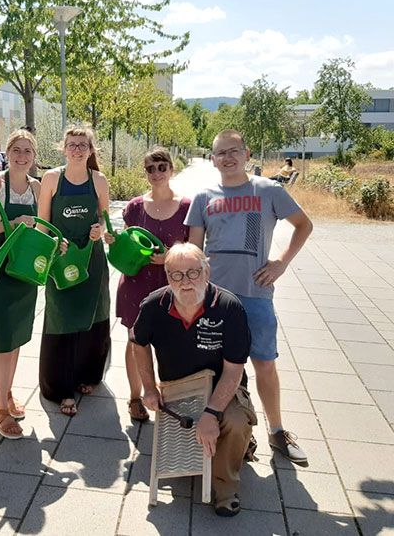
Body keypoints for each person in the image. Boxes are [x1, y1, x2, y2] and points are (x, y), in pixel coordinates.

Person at [186, 129, 313, 466]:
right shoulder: (203, 198)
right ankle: (236, 433)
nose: (227, 158)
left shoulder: (268, 190)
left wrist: (281, 263)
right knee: (217, 367)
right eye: (220, 153)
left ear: (247, 153)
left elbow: (304, 225)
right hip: (214, 298)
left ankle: (277, 430)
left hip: (255, 294)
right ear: (212, 160)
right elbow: (195, 251)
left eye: (233, 151)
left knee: (265, 363)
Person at [133, 243, 256, 517]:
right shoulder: (155, 304)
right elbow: (138, 343)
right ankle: (220, 448)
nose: (185, 281)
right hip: (177, 390)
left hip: (222, 386)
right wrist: (149, 389)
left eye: (193, 273)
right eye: (176, 275)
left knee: (234, 422)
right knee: (190, 436)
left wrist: (211, 413)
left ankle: (225, 488)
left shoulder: (228, 307)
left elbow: (234, 369)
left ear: (207, 272)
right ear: (167, 277)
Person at [37, 127, 111, 416]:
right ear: (63, 148)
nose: (77, 149)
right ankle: (61, 388)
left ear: (91, 150)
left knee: (94, 315)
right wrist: (51, 247)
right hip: (61, 260)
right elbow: (43, 223)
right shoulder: (52, 179)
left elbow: (105, 220)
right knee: (61, 317)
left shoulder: (99, 180)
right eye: (72, 145)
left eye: (83, 145)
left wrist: (99, 230)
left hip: (91, 260)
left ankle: (87, 376)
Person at [0, 129, 42, 439]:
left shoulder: (37, 188)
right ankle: (0, 411)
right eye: (17, 149)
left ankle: (7, 394)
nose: (22, 155)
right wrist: (9, 224)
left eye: (27, 150)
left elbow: (41, 227)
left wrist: (55, 242)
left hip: (25, 271)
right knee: (2, 342)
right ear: (7, 152)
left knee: (15, 340)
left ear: (34, 157)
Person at [115, 147, 191, 423]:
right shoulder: (135, 207)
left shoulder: (187, 207)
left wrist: (168, 257)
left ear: (171, 169)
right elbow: (127, 244)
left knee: (171, 343)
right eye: (150, 168)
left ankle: (168, 395)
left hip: (172, 285)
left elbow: (195, 250)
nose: (156, 173)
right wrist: (115, 243)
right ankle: (135, 398)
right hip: (137, 283)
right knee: (135, 340)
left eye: (161, 167)